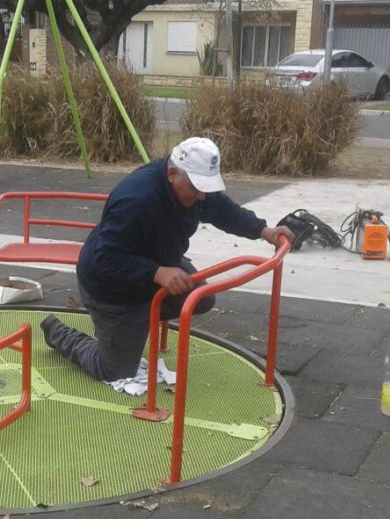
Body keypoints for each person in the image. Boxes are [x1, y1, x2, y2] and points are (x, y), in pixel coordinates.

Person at [41, 137, 295, 382]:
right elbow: (105, 258)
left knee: (202, 298)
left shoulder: (193, 188)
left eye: (206, 188)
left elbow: (222, 210)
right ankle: (60, 332)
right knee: (115, 370)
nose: (202, 197)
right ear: (172, 173)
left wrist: (264, 231)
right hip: (111, 284)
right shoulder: (137, 200)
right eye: (196, 188)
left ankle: (135, 321)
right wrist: (157, 272)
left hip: (157, 263)